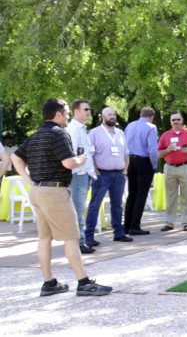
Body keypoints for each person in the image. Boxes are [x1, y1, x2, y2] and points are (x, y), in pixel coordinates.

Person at [10, 98, 112, 296]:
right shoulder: (58, 133)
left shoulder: (36, 135)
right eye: (66, 113)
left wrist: (30, 181)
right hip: (55, 192)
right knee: (72, 238)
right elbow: (68, 163)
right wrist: (80, 159)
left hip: (38, 191)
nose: (67, 117)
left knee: (44, 238)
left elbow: (15, 158)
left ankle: (49, 283)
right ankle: (83, 283)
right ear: (58, 114)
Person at [85, 107, 131, 245]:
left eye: (114, 114)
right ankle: (89, 236)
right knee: (95, 205)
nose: (112, 116)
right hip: (102, 174)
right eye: (109, 114)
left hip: (119, 174)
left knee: (117, 205)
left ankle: (119, 233)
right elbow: (89, 154)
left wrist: (125, 169)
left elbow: (126, 153)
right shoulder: (94, 133)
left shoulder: (120, 133)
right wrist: (96, 171)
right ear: (102, 117)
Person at [157, 112, 187, 232]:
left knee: (186, 195)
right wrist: (168, 149)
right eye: (173, 120)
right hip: (170, 167)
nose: (175, 122)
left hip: (185, 166)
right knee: (170, 195)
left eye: (178, 119)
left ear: (182, 121)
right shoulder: (165, 135)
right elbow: (158, 154)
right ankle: (169, 222)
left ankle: (186, 222)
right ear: (170, 122)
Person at [65, 99, 97, 254]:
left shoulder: (82, 129)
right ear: (76, 111)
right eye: (86, 109)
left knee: (79, 208)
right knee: (77, 209)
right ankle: (79, 242)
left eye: (89, 109)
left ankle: (79, 240)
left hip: (84, 173)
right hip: (78, 174)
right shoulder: (73, 129)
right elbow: (75, 153)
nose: (89, 112)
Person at [124, 107, 158, 235]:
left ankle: (126, 225)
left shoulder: (130, 126)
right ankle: (135, 225)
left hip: (130, 160)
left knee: (132, 193)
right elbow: (152, 149)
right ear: (152, 116)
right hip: (143, 161)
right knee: (141, 194)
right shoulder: (151, 127)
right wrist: (154, 165)